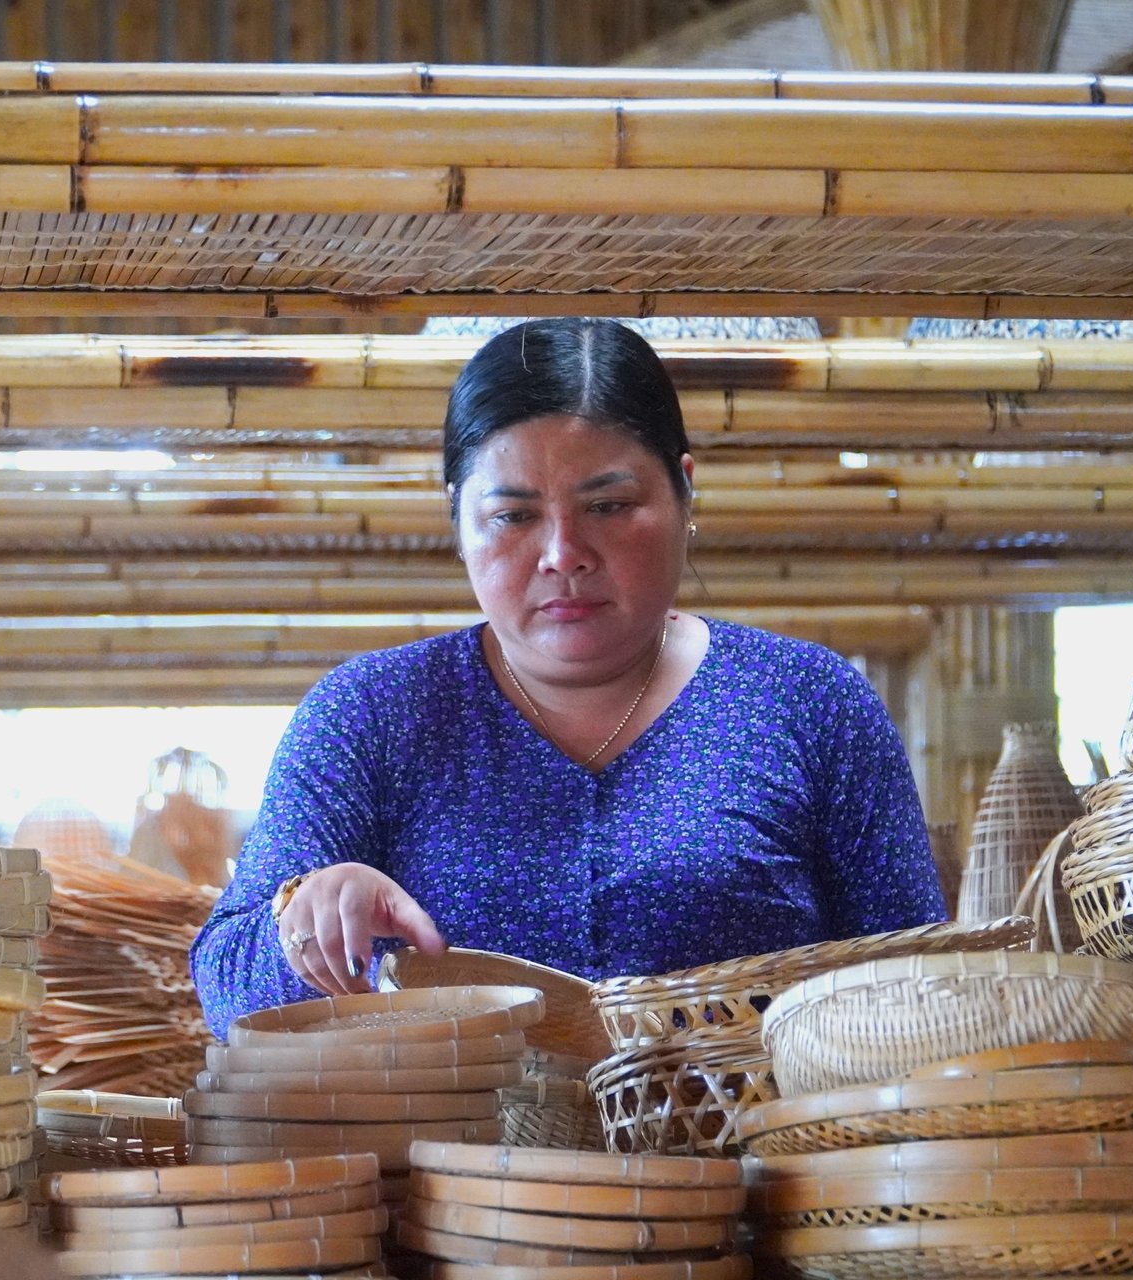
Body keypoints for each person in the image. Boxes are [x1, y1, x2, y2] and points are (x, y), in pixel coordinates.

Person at [190, 318, 946, 1038]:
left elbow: (923, 986)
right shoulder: (373, 716)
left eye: (609, 506)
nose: (563, 553)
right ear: (457, 519)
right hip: (449, 1172)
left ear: (686, 495)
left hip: (763, 1166)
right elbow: (226, 988)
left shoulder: (808, 703)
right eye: (514, 517)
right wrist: (303, 920)